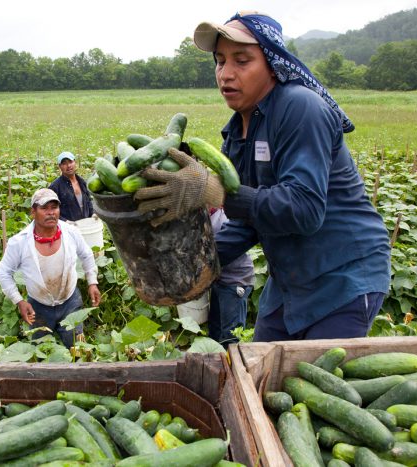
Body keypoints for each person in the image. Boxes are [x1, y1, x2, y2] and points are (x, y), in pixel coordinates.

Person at [134, 11, 391, 342]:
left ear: (271, 63)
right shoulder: (238, 132)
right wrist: (190, 268)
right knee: (260, 374)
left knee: (313, 384)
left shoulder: (301, 109)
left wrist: (216, 193)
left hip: (343, 276)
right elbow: (247, 222)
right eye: (220, 61)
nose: (226, 74)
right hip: (289, 281)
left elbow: (305, 210)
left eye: (242, 61)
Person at [0, 188, 101, 347]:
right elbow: (4, 272)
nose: (51, 212)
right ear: (33, 211)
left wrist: (92, 282)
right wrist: (19, 301)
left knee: (77, 350)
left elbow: (87, 255)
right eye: (44, 208)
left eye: (54, 207)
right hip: (38, 307)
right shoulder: (19, 242)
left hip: (70, 301)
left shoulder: (71, 232)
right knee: (41, 351)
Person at [208, 207, 254, 347]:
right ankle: (216, 364)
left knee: (230, 337)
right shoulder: (206, 216)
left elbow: (224, 250)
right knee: (215, 331)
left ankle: (232, 367)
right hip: (219, 280)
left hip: (235, 281)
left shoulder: (224, 218)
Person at [49, 151, 94, 222]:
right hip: (67, 228)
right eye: (64, 163)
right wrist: (66, 221)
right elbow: (51, 210)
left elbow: (88, 201)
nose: (68, 166)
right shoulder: (55, 186)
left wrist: (93, 214)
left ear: (75, 162)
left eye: (70, 162)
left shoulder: (82, 182)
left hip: (85, 224)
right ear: (60, 166)